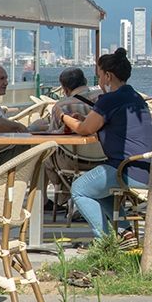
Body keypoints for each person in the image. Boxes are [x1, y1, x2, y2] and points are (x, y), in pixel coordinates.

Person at [62, 48, 152, 250]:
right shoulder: (134, 96)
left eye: (100, 76)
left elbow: (85, 129)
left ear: (108, 76)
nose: (99, 81)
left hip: (127, 169)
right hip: (146, 168)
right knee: (100, 191)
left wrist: (62, 116)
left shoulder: (110, 99)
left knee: (79, 189)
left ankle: (104, 241)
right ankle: (124, 232)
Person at [35, 67, 101, 210]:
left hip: (73, 160)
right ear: (85, 81)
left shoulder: (61, 106)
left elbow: (54, 136)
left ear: (64, 89)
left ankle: (65, 197)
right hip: (103, 159)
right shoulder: (103, 98)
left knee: (45, 157)